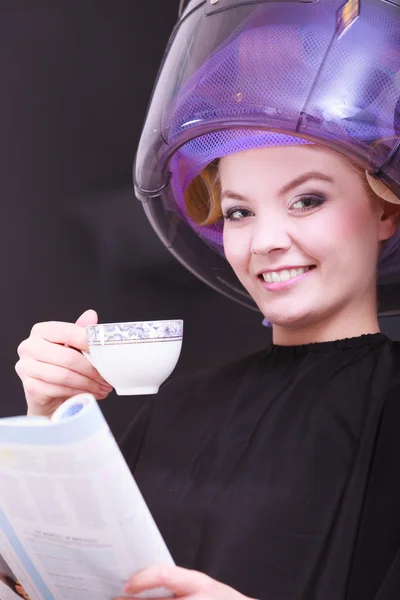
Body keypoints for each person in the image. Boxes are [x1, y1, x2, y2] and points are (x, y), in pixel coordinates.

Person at [15, 1, 400, 599]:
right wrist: (50, 424)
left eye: (307, 200)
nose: (268, 242)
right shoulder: (177, 409)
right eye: (241, 211)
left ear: (386, 209)